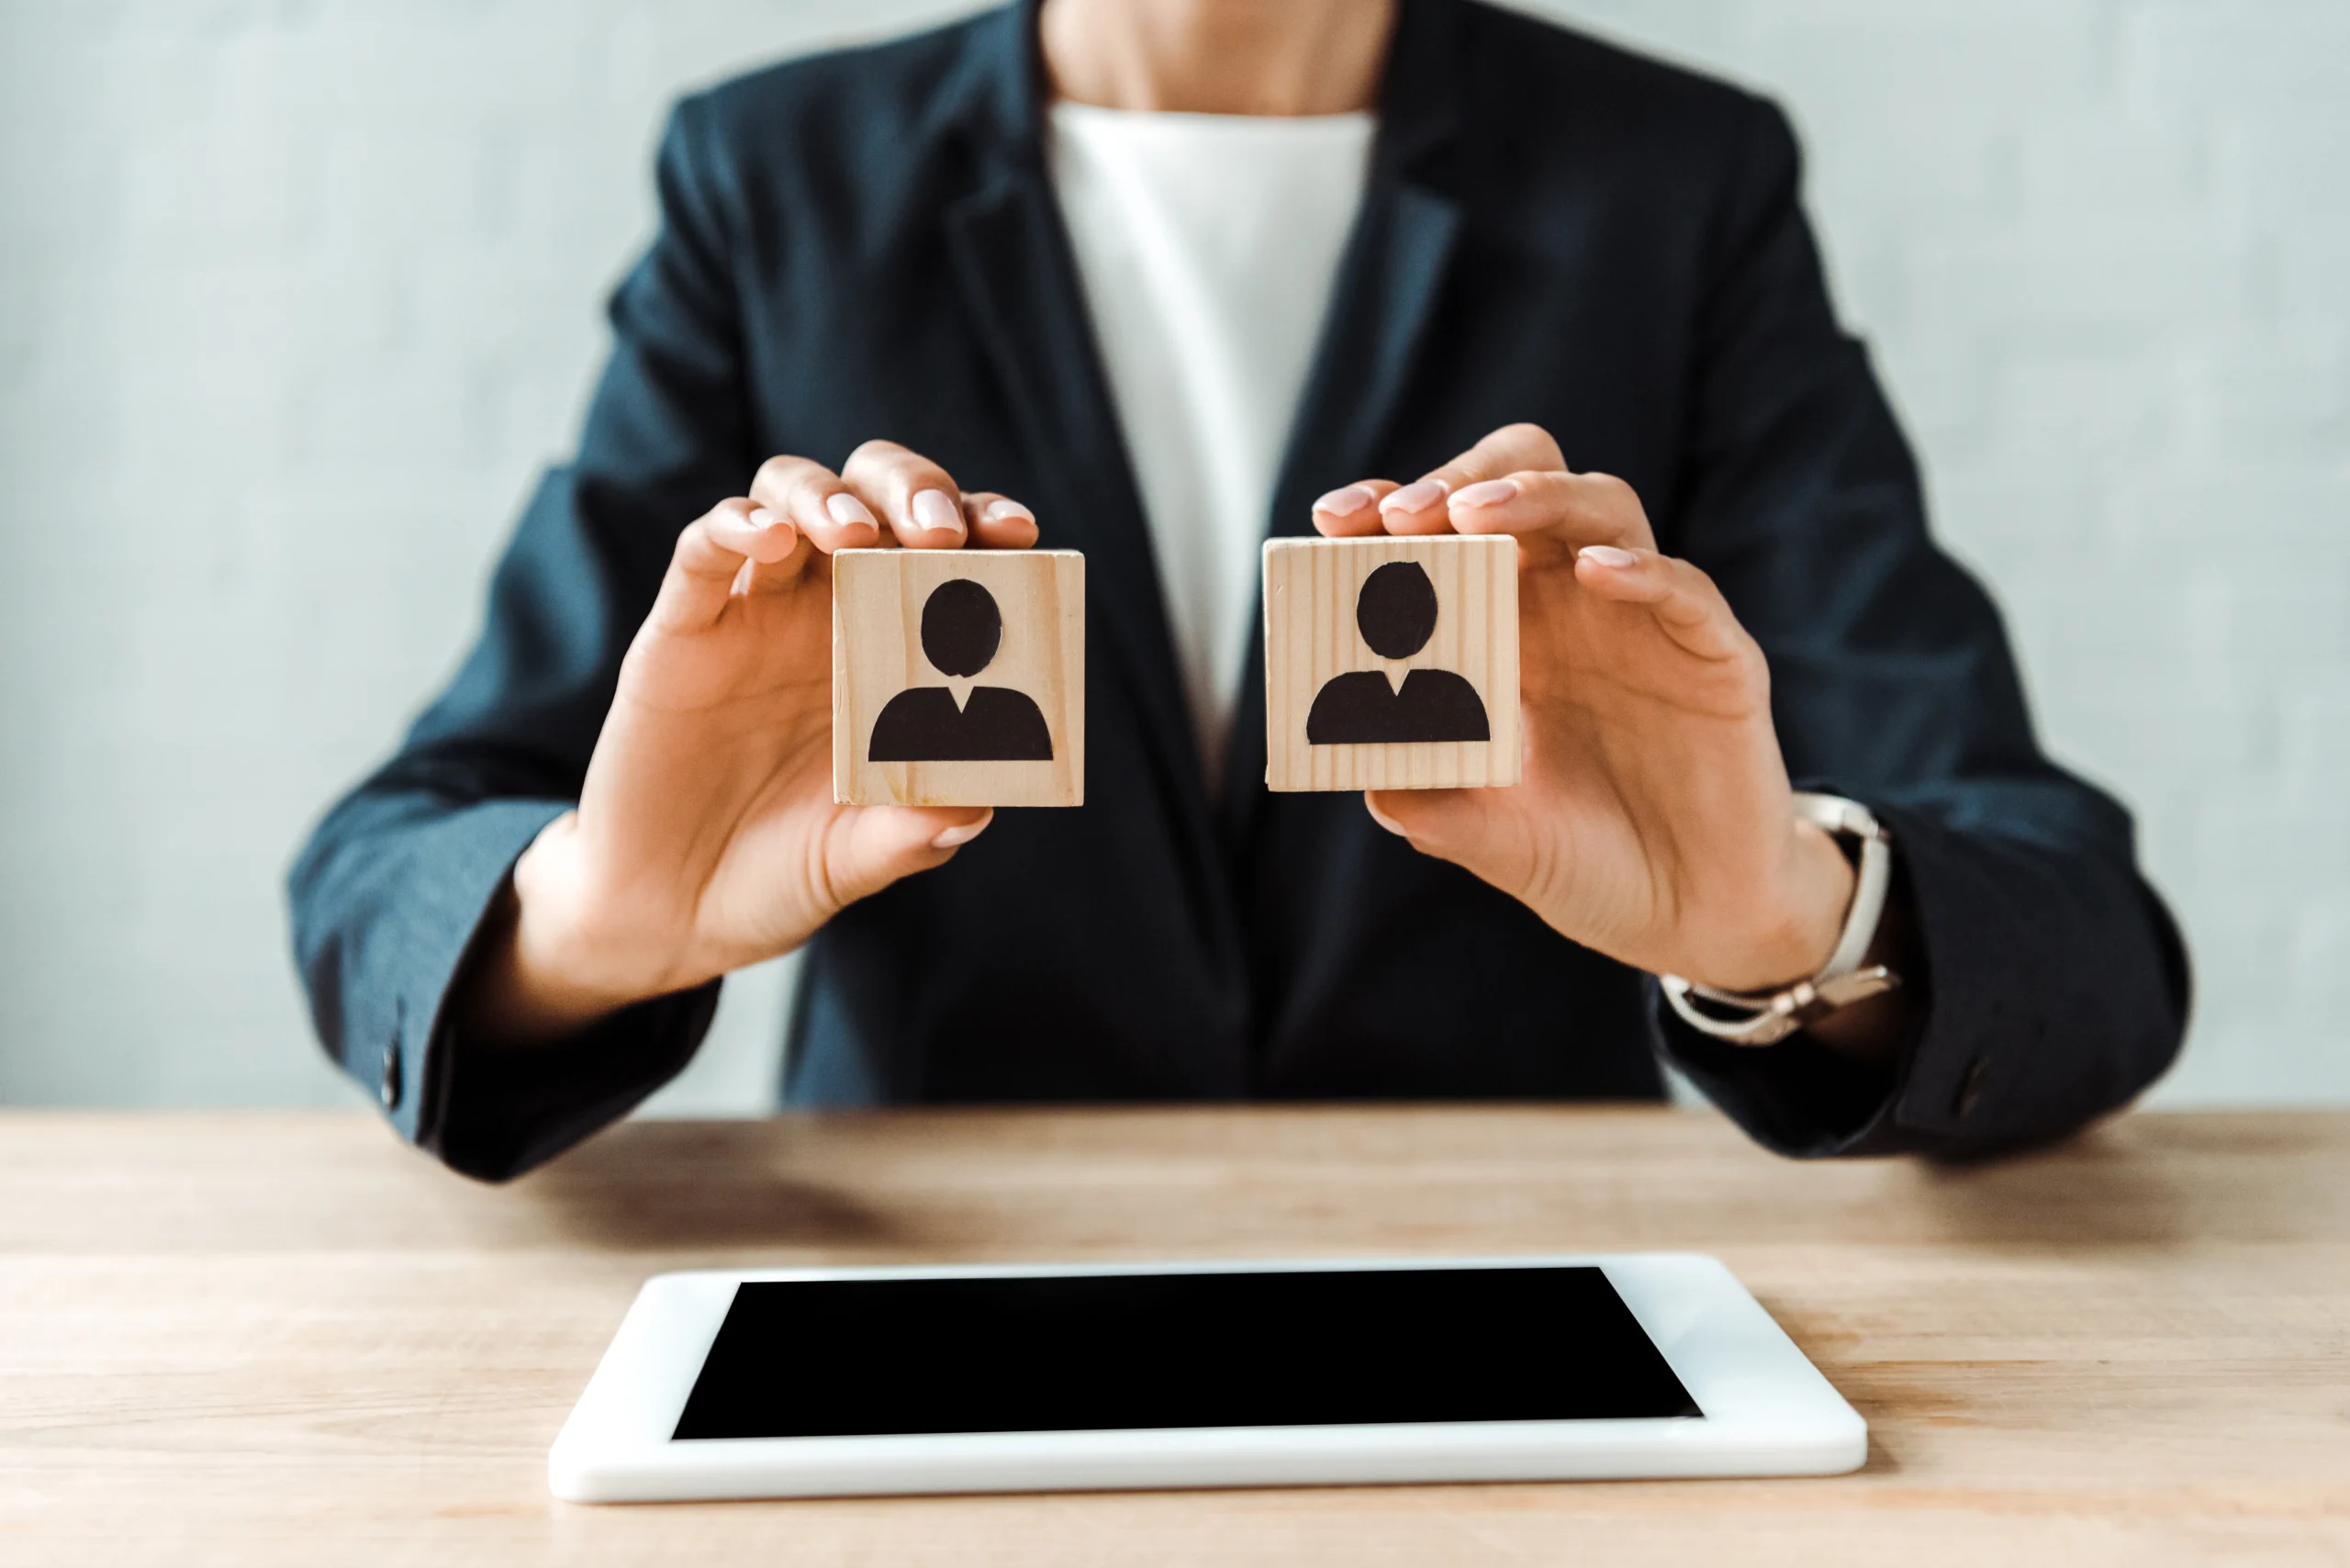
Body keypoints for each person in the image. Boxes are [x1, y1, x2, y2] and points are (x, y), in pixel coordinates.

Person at [288, 0, 2188, 1182]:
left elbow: (2074, 921)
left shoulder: (1667, 185)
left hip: (1515, 1325)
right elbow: (387, 867)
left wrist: (1783, 916)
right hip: (936, 1307)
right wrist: (592, 918)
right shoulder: (773, 184)